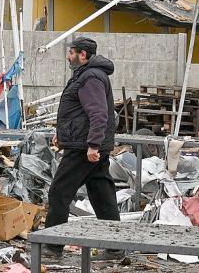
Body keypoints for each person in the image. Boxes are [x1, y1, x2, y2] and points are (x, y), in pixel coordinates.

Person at [43, 36, 122, 260]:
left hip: (83, 149)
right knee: (102, 196)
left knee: (59, 192)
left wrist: (93, 145)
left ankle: (52, 246)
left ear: (83, 55)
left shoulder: (91, 77)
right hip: (83, 144)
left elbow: (98, 113)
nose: (68, 57)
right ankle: (116, 247)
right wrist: (63, 134)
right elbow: (77, 112)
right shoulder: (86, 75)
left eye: (71, 52)